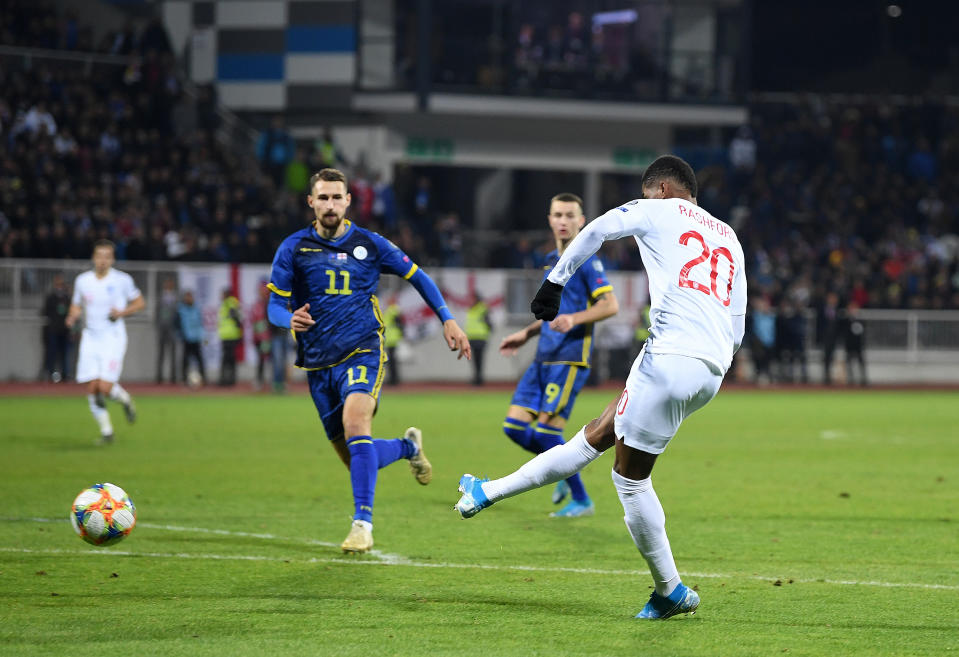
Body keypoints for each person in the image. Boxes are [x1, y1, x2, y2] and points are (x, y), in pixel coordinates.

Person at [455, 155, 746, 620]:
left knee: (630, 480)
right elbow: (736, 326)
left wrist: (554, 282)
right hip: (710, 371)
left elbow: (596, 229)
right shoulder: (729, 236)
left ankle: (669, 590)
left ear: (663, 189)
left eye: (648, 194)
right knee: (596, 433)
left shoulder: (659, 207)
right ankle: (485, 491)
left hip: (669, 358)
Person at [266, 168, 471, 553]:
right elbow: (275, 306)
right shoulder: (293, 248)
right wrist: (286, 319)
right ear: (311, 202)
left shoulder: (371, 244)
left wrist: (448, 318)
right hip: (316, 363)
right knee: (359, 458)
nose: (330, 204)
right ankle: (408, 448)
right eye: (323, 197)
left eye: (336, 197)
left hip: (364, 348)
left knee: (355, 422)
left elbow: (418, 276)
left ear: (348, 201)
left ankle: (363, 525)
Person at [497, 193, 619, 517]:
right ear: (549, 219)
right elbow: (552, 311)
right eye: (557, 215)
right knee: (514, 426)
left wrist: (575, 319)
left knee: (547, 433)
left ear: (582, 221)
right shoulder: (552, 260)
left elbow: (610, 305)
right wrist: (526, 333)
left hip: (569, 357)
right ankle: (562, 469)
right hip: (542, 355)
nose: (563, 221)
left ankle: (581, 499)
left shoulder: (588, 259)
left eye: (570, 216)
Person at [66, 240, 145, 444]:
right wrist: (72, 317)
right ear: (93, 257)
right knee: (92, 387)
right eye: (99, 256)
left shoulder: (122, 280)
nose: (102, 260)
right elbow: (76, 305)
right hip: (90, 337)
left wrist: (122, 312)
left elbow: (140, 302)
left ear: (112, 259)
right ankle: (107, 432)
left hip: (113, 337)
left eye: (107, 256)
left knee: (105, 387)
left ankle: (125, 400)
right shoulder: (83, 281)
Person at [41, 273, 72, 383]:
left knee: (65, 354)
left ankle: (65, 375)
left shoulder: (67, 298)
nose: (60, 286)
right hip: (53, 330)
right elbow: (44, 312)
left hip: (65, 331)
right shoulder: (51, 298)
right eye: (58, 284)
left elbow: (72, 313)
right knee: (52, 353)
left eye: (61, 284)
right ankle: (50, 373)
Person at [177, 290, 206, 385]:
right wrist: (180, 334)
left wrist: (203, 335)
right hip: (186, 338)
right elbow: (177, 324)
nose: (188, 299)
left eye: (190, 297)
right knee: (185, 360)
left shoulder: (197, 309)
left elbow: (201, 323)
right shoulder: (181, 309)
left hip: (196, 338)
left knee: (199, 359)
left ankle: (203, 378)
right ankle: (184, 379)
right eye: (187, 297)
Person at [465, 291, 492, 386]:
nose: (470, 300)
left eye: (472, 298)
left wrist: (487, 332)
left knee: (479, 359)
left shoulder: (482, 309)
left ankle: (479, 379)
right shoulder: (471, 309)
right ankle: (476, 378)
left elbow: (490, 324)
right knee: (474, 360)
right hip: (472, 337)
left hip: (480, 338)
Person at [155, 277, 178, 383]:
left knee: (172, 353)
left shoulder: (176, 297)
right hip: (162, 328)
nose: (168, 286)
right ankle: (159, 377)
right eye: (166, 284)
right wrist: (157, 325)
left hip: (172, 328)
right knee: (161, 353)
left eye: (170, 284)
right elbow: (157, 313)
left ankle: (173, 377)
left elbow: (177, 314)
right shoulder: (160, 297)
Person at [218, 288, 242, 386]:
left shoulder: (229, 303)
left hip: (230, 335)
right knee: (230, 359)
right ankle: (230, 379)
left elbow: (235, 317)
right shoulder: (231, 303)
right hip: (229, 334)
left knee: (227, 359)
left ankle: (226, 380)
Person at [251, 284, 272, 391]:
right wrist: (260, 336)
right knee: (261, 360)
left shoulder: (270, 305)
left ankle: (271, 382)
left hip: (269, 338)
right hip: (259, 339)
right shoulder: (257, 306)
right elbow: (254, 323)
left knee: (271, 360)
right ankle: (259, 381)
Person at [843, 301, 867, 386]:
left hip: (858, 345)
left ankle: (863, 379)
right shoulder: (846, 320)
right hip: (849, 345)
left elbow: (863, 333)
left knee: (861, 363)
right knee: (849, 363)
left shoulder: (861, 319)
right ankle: (850, 380)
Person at [382, 297, 404, 386]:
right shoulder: (392, 310)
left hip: (392, 338)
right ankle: (393, 379)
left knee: (392, 361)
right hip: (392, 337)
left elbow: (399, 323)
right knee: (392, 360)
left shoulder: (393, 310)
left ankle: (394, 380)